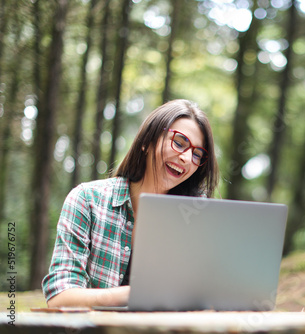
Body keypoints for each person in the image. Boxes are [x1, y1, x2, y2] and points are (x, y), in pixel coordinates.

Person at [42, 99, 219, 307]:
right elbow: (60, 297)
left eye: (197, 154)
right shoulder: (88, 200)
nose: (187, 158)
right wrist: (131, 295)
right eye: (179, 142)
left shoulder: (198, 217)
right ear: (146, 141)